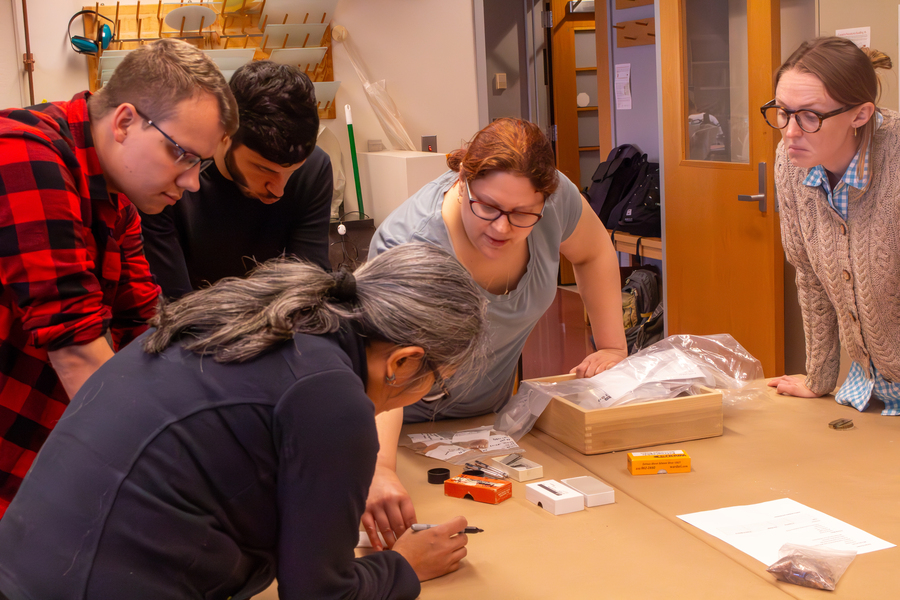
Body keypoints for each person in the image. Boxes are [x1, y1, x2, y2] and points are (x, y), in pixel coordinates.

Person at [0, 242, 487, 599]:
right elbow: (319, 595)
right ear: (403, 361)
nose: (432, 392)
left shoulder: (265, 320)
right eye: (437, 380)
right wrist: (403, 566)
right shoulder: (332, 395)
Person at [364, 117, 627, 549]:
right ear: (462, 180)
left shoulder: (552, 199)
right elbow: (386, 372)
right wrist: (379, 470)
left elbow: (595, 250)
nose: (502, 228)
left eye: (523, 214)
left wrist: (613, 346)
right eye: (487, 207)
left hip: (490, 423)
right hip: (397, 434)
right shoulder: (410, 243)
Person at [0, 38, 237, 517]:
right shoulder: (21, 151)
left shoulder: (120, 204)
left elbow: (145, 332)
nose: (192, 183)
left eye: (201, 165)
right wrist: (182, 481)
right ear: (126, 121)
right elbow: (76, 348)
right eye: (183, 156)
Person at [764, 37, 900, 415]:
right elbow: (809, 275)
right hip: (866, 390)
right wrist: (818, 377)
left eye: (810, 116)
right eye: (782, 112)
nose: (790, 131)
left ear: (860, 115)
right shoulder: (791, 163)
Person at [140, 60, 334, 298]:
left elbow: (309, 287)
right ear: (224, 132)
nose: (279, 190)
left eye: (293, 171)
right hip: (193, 324)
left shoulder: (315, 168)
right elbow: (173, 303)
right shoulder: (172, 181)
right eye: (264, 168)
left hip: (280, 323)